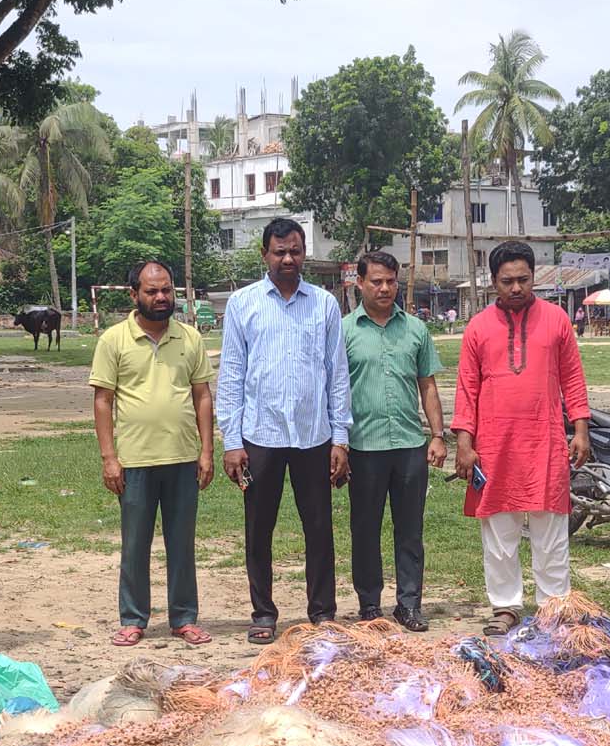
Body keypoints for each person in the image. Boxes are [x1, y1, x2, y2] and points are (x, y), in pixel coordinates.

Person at [219, 218, 351, 644]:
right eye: (280, 251)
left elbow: (337, 376)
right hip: (261, 435)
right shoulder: (243, 304)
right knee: (259, 529)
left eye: (295, 250)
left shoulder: (325, 305)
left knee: (319, 529)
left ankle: (322, 613)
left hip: (314, 436)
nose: (289, 259)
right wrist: (232, 442)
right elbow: (232, 375)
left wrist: (340, 438)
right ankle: (263, 614)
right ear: (265, 255)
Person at [453, 241, 590, 635]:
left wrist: (579, 429)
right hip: (494, 445)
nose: (516, 288)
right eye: (507, 281)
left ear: (534, 277)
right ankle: (506, 607)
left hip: (544, 440)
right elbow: (467, 388)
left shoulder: (557, 320)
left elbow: (573, 379)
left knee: (551, 528)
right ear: (493, 281)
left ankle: (553, 607)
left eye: (523, 280)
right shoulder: (478, 326)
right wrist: (465, 441)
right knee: (498, 530)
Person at [90, 260, 215, 648]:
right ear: (134, 295)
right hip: (135, 461)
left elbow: (202, 396)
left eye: (166, 290)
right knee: (135, 543)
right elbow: (103, 401)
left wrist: (207, 450)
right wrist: (109, 457)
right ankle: (132, 618)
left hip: (182, 457)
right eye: (152, 291)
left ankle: (184, 618)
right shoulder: (114, 339)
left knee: (182, 543)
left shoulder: (190, 338)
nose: (161, 298)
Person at [343, 250, 446, 631]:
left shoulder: (416, 330)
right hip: (363, 446)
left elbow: (428, 386)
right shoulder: (344, 331)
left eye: (390, 281)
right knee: (365, 528)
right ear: (360, 284)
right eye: (376, 281)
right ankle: (369, 605)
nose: (384, 288)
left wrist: (437, 435)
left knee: (410, 529)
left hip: (408, 445)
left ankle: (408, 605)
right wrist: (337, 443)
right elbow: (334, 389)